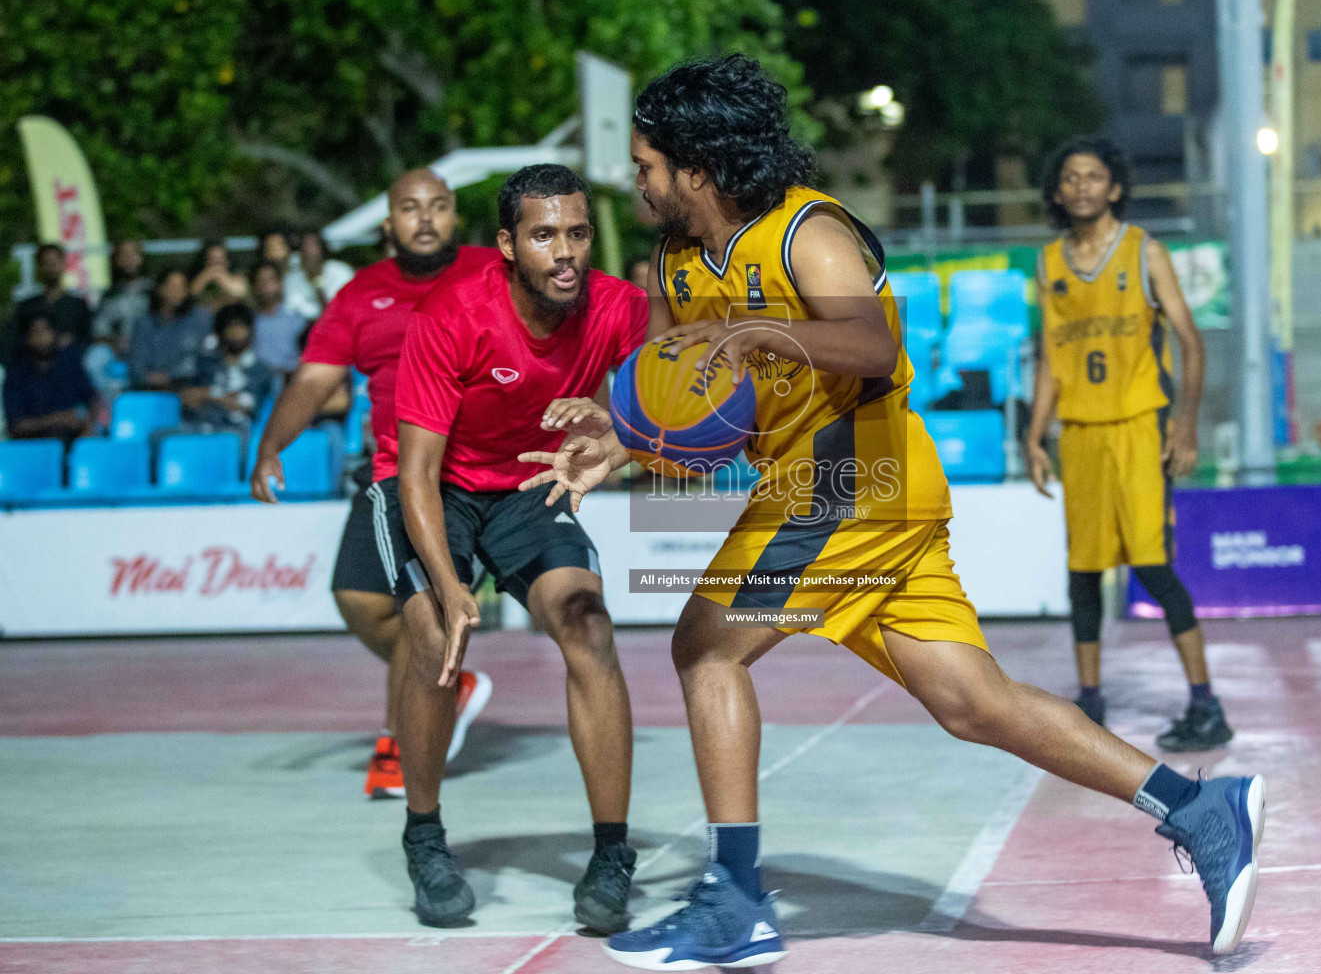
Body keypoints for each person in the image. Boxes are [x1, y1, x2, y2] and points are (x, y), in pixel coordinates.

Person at [523, 56, 1265, 969]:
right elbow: (676, 394)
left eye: (646, 165)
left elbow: (874, 344)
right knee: (972, 701)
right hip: (831, 489)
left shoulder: (807, 230)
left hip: (853, 471)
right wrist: (620, 438)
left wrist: (769, 331)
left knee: (706, 645)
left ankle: (737, 902)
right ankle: (1199, 809)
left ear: (698, 167)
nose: (634, 181)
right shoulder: (675, 263)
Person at [387, 164, 648, 931]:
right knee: (438, 632)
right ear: (507, 244)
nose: (565, 252)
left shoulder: (619, 307)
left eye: (576, 233)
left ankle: (610, 854)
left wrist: (612, 426)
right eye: (543, 235)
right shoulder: (452, 314)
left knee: (588, 624)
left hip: (533, 486)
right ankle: (425, 834)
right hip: (444, 490)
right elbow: (415, 474)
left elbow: (674, 404)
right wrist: (452, 583)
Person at [251, 168, 499, 802]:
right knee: (359, 600)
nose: (424, 218)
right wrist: (271, 447)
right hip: (391, 468)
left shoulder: (490, 270)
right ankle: (450, 686)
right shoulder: (362, 294)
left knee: (422, 611)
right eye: (410, 208)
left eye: (438, 206)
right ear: (388, 224)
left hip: (472, 469)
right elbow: (313, 380)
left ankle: (399, 748)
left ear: (455, 218)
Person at [1025, 136, 1232, 751]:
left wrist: (1185, 425)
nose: (1083, 185)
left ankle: (1206, 704)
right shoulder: (1049, 263)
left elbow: (1191, 342)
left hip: (1140, 425)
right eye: (1072, 176)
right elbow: (1050, 359)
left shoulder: (1145, 251)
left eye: (1095, 176)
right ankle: (1090, 703)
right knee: (1082, 573)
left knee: (1152, 565)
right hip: (1081, 433)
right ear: (1058, 191)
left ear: (1115, 187)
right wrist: (1036, 435)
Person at [178, 302, 276, 430]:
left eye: (241, 326)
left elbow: (248, 405)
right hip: (198, 429)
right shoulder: (204, 363)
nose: (237, 332)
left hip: (239, 434)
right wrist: (222, 398)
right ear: (220, 331)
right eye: (231, 326)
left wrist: (207, 395)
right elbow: (186, 397)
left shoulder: (261, 370)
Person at [2, 314, 97, 442]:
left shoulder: (69, 364)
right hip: (34, 447)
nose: (43, 337)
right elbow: (16, 426)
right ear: (27, 338)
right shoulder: (16, 374)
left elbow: (93, 399)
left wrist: (88, 426)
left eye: (46, 330)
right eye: (36, 332)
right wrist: (56, 420)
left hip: (73, 441)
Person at [127, 270, 211, 391]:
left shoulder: (200, 319)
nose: (178, 292)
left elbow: (202, 363)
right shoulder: (144, 324)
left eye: (183, 287)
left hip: (191, 390)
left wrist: (171, 376)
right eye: (173, 287)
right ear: (160, 289)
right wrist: (154, 379)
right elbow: (136, 367)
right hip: (152, 392)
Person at [12, 244, 92, 352]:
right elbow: (15, 339)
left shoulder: (78, 306)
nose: (51, 267)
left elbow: (88, 338)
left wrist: (72, 341)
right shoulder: (28, 307)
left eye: (55, 262)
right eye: (46, 263)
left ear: (64, 264)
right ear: (39, 267)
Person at [249, 260, 308, 375]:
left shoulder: (296, 319)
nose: (266, 286)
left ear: (280, 283)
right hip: (258, 382)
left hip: (291, 379)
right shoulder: (249, 321)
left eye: (271, 280)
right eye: (261, 281)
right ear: (254, 287)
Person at [92, 240, 153, 347]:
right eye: (123, 255)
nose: (128, 259)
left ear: (141, 258)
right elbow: (100, 328)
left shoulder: (153, 291)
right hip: (117, 351)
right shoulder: (109, 296)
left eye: (133, 254)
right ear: (116, 260)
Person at [298, 229, 356, 308]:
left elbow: (333, 307)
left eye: (312, 246)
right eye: (304, 247)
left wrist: (317, 281)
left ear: (322, 248)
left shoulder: (340, 270)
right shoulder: (296, 275)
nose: (308, 251)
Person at [189, 239, 250, 310]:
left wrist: (222, 279)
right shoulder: (199, 279)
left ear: (227, 261)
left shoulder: (238, 278)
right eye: (212, 259)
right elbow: (191, 294)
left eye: (220, 259)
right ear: (205, 262)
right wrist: (206, 276)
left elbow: (240, 293)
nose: (216, 264)